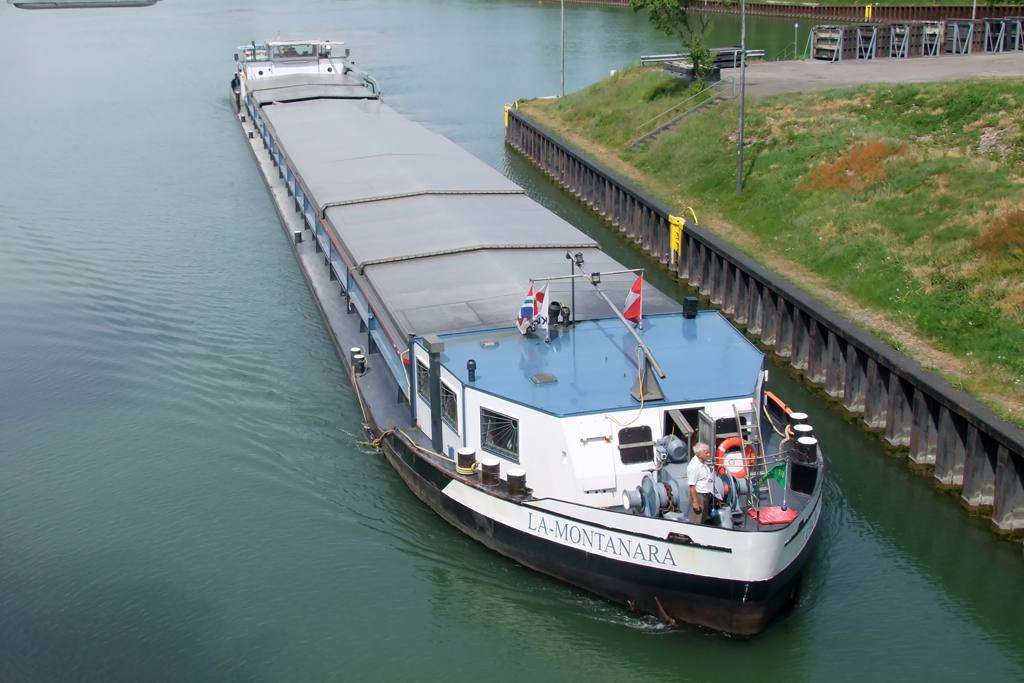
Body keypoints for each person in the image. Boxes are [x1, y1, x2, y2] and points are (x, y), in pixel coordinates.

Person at [687, 443, 713, 524]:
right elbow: (692, 486)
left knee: (703, 519)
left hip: (706, 494)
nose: (709, 455)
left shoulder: (703, 462)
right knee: (696, 521)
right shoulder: (694, 467)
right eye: (706, 453)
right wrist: (695, 502)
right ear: (699, 455)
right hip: (699, 495)